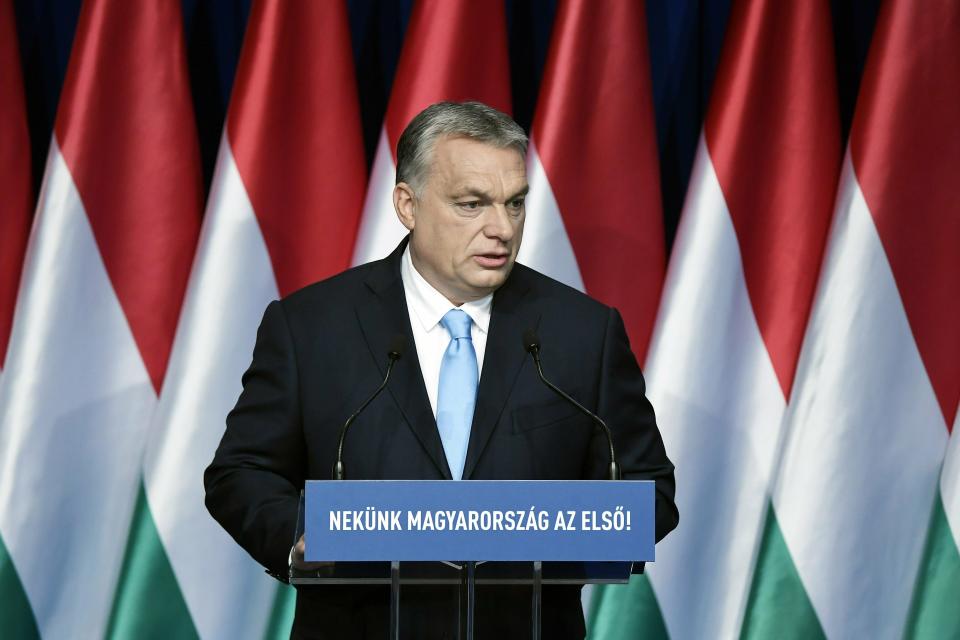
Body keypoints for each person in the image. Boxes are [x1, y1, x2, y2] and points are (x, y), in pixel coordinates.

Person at [205, 101, 678, 639]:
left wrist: (559, 530)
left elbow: (650, 490)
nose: (501, 228)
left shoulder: (582, 334)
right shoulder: (311, 327)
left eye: (515, 204)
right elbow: (240, 472)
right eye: (472, 204)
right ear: (408, 204)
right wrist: (300, 536)